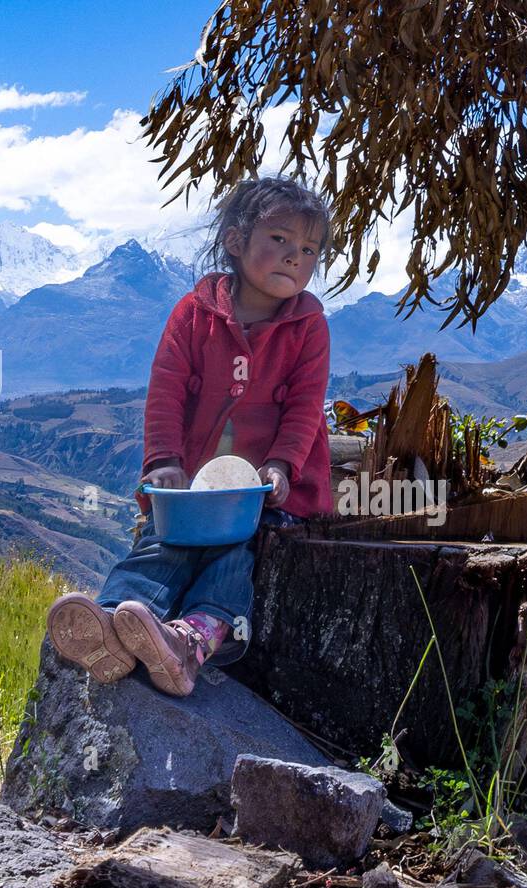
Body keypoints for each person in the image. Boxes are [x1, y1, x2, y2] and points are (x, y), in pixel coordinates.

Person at [44, 175, 334, 697]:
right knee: (164, 539)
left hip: (265, 490)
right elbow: (166, 393)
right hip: (198, 483)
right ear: (235, 240)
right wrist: (162, 460)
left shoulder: (308, 325)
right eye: (280, 240)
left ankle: (190, 641)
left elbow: (305, 406)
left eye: (308, 248)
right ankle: (110, 625)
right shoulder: (193, 314)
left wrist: (282, 465)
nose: (295, 256)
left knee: (233, 549)